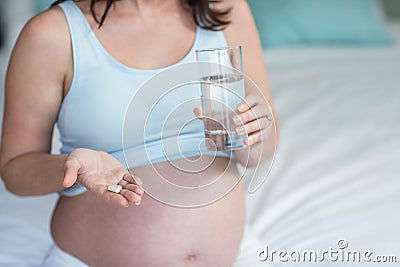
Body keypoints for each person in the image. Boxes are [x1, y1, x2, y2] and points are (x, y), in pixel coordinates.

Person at [0, 0, 276, 266]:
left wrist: (253, 134)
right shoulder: (51, 34)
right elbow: (15, 172)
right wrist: (73, 166)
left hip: (236, 256)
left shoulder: (226, 11)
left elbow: (261, 150)